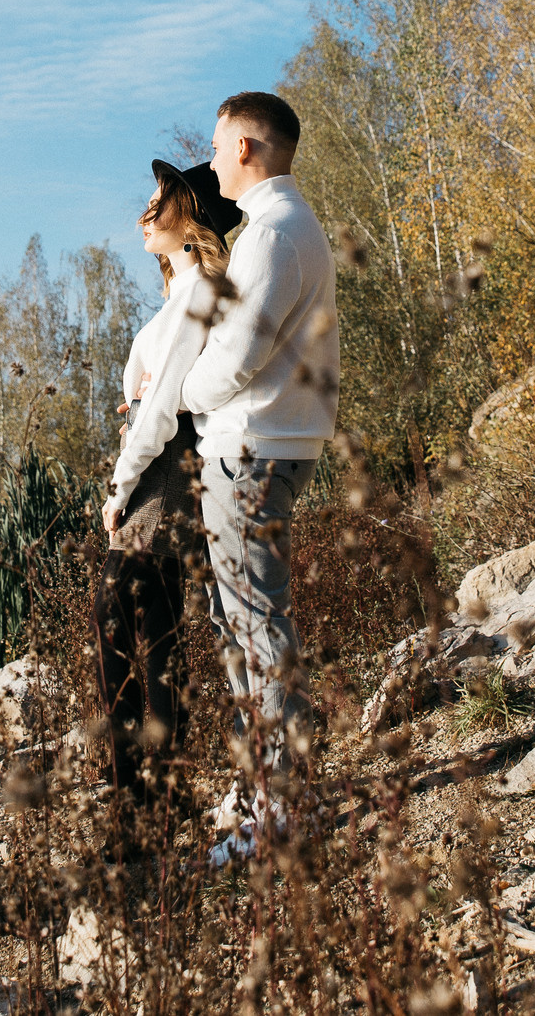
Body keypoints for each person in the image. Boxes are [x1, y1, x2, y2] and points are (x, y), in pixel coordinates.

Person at [183, 90, 337, 861]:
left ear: (245, 147)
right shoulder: (281, 227)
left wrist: (178, 394)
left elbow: (237, 355)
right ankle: (260, 790)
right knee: (240, 621)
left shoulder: (273, 234)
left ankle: (280, 807)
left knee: (256, 623)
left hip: (251, 446)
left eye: (217, 147)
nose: (212, 162)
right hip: (269, 442)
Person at [95, 157, 240, 818]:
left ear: (190, 217)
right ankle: (155, 798)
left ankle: (142, 802)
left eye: (157, 203)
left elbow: (162, 409)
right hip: (162, 469)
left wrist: (120, 486)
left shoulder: (200, 290)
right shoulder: (183, 295)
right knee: (149, 635)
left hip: (163, 478)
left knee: (126, 630)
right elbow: (152, 396)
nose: (142, 216)